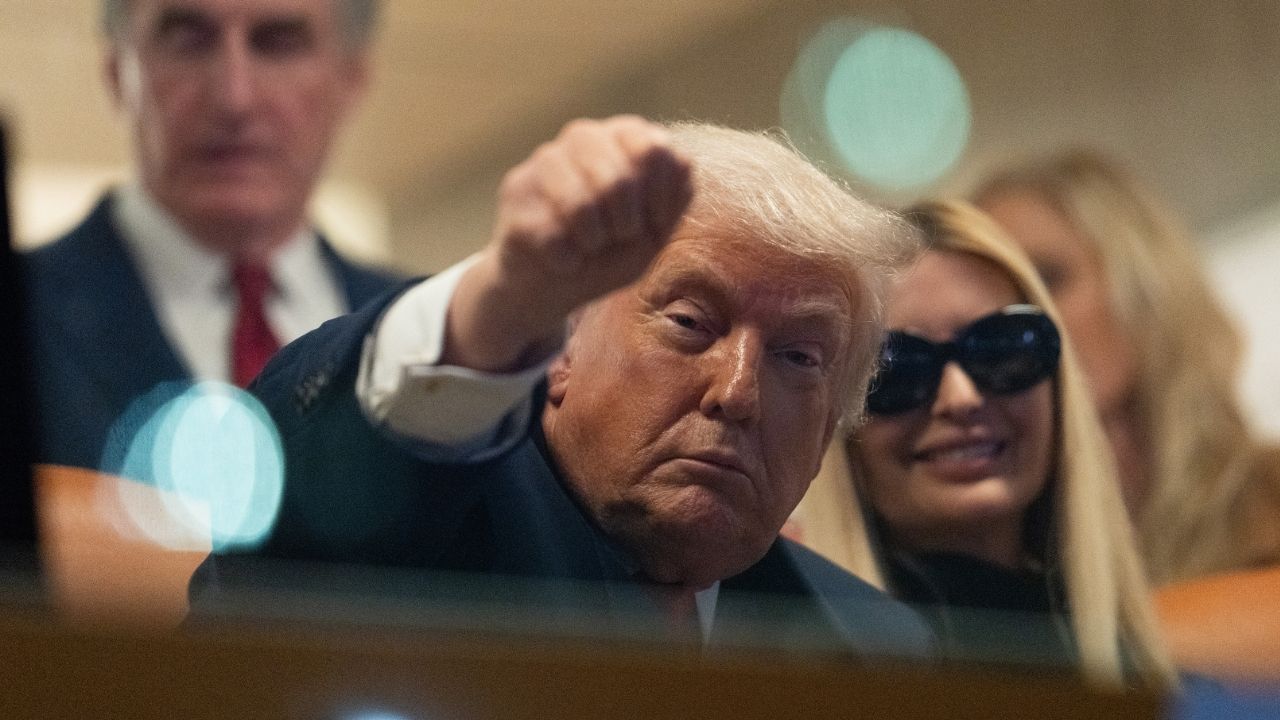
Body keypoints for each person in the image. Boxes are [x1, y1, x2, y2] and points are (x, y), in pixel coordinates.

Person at [192, 117, 932, 655]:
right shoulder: (422, 537)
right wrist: (499, 307)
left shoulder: (874, 649)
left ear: (835, 418)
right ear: (563, 343)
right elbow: (319, 486)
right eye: (688, 322)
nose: (737, 392)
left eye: (799, 359)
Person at [792, 200, 1175, 686]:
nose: (961, 398)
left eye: (1002, 348)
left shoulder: (1136, 668)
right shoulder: (778, 659)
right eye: (898, 368)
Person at [21, 0, 400, 471]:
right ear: (117, 72)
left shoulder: (436, 339)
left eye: (278, 44)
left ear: (351, 78)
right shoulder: (17, 314)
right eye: (188, 41)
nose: (234, 99)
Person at [973, 151, 1280, 585]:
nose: (1017, 323)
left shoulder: (1271, 498)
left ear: (1145, 287)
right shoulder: (991, 552)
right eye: (990, 300)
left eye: (1047, 278)